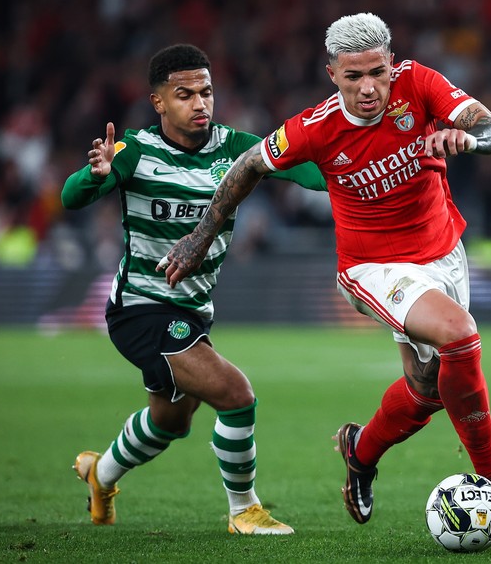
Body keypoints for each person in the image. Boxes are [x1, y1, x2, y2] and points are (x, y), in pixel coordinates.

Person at [159, 13, 491, 532]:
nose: (369, 88)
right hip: (373, 266)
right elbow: (248, 165)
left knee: (429, 389)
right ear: (332, 74)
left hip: (444, 251)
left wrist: (466, 141)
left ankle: (361, 452)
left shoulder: (420, 83)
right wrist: (201, 237)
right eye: (354, 76)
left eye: (378, 73)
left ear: (391, 64)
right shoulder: (313, 129)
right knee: (460, 335)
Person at [62, 44, 325, 534]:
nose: (200, 103)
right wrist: (93, 176)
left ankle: (100, 474)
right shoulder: (136, 151)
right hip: (142, 308)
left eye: (206, 92)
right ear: (158, 102)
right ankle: (244, 509)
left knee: (170, 422)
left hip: (193, 310)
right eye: (184, 95)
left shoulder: (238, 148)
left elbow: (308, 173)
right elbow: (72, 196)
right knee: (236, 395)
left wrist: (351, 169)